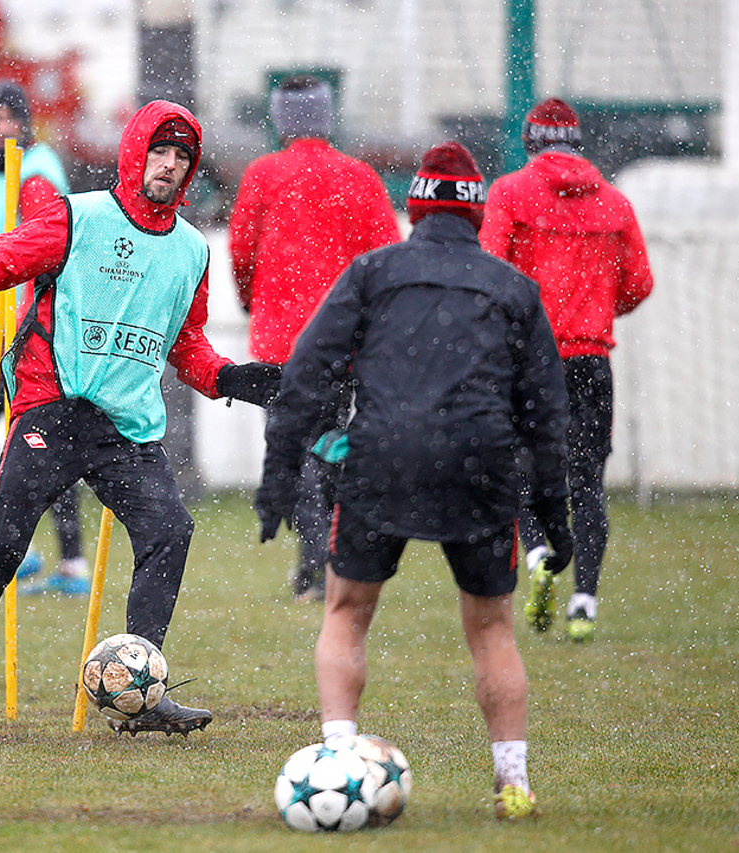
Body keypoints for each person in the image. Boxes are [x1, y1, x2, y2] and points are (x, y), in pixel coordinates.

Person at [0, 100, 282, 742]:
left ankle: (141, 691)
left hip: (125, 430)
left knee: (170, 532)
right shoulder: (79, 216)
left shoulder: (190, 251)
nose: (169, 165)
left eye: (182, 157)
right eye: (160, 152)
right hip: (51, 407)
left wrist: (230, 380)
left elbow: (187, 348)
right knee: (3, 544)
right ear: (135, 154)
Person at [256, 142, 574, 819]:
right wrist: (554, 513)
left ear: (415, 206)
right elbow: (547, 414)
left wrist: (277, 473)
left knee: (345, 612)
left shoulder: (373, 272)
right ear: (479, 214)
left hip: (382, 456)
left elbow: (306, 370)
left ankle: (339, 757)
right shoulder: (514, 288)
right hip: (480, 462)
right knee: (492, 629)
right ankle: (512, 781)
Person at [480, 98, 655, 642]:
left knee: (522, 471)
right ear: (577, 144)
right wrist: (600, 308)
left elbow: (491, 268)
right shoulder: (615, 204)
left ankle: (535, 553)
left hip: (530, 361)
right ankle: (584, 601)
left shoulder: (510, 193)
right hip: (591, 361)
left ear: (531, 142)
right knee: (586, 482)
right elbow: (639, 283)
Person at [228, 75, 400, 601]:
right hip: (345, 347)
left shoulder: (263, 176)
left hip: (280, 346)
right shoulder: (361, 178)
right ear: (328, 118)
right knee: (333, 449)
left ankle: (310, 564)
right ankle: (332, 556)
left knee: (293, 452)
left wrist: (253, 302)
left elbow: (240, 253)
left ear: (281, 120)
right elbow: (387, 259)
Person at [0, 80, 88, 597]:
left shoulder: (34, 177)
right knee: (39, 437)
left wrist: (24, 326)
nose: (1, 128)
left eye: (10, 118)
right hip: (3, 325)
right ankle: (47, 554)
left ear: (26, 124)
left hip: (24, 330)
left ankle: (34, 551)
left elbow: (42, 253)